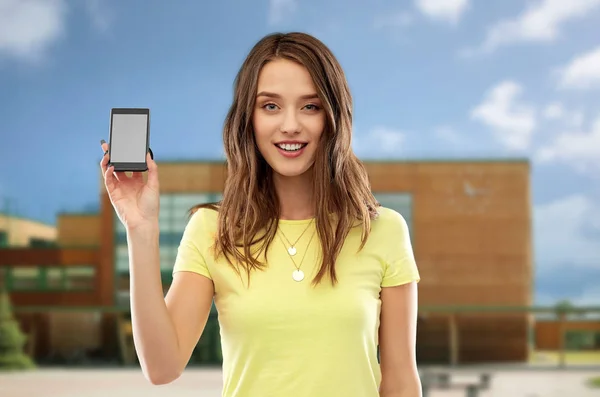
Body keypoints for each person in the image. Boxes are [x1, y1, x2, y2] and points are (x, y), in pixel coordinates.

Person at [99, 32, 422, 397]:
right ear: (248, 119)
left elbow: (399, 380)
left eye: (310, 106)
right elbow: (161, 367)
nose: (289, 125)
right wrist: (140, 230)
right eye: (270, 106)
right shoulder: (211, 230)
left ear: (334, 117)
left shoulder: (382, 230)